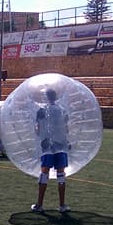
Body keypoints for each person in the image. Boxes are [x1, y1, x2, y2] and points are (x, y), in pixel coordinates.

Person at [32, 86, 70, 214]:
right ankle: (62, 205)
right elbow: (66, 128)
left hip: (47, 145)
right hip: (61, 146)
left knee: (44, 174)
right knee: (61, 176)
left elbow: (37, 130)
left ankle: (39, 204)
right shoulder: (62, 110)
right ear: (56, 97)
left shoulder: (41, 110)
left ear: (46, 97)